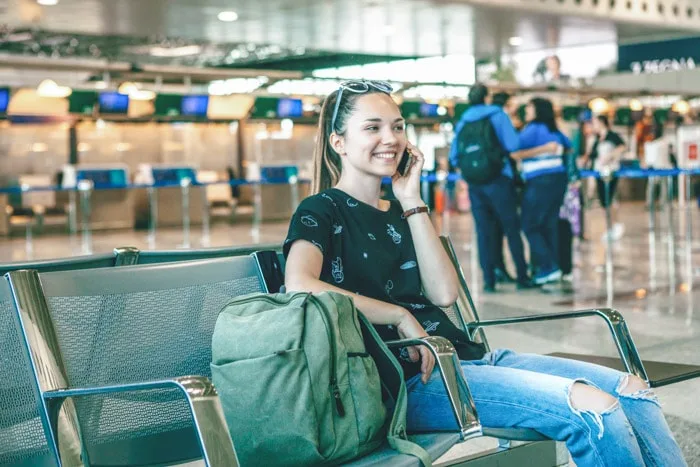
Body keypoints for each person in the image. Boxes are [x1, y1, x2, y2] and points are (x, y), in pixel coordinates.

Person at [283, 79, 686, 467]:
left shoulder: (402, 210)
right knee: (594, 410)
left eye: (398, 127)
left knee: (633, 392)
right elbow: (299, 284)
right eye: (372, 128)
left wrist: (411, 199)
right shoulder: (321, 210)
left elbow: (443, 294)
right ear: (339, 143)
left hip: (467, 358)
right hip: (408, 380)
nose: (390, 138)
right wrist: (399, 315)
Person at [449, 83, 552, 292]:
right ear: (486, 97)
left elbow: (454, 156)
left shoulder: (463, 120)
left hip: (475, 184)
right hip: (499, 180)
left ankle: (489, 279)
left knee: (483, 231)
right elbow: (513, 145)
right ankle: (522, 277)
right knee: (511, 228)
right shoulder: (497, 115)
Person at [514, 98, 570, 284]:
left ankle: (548, 266)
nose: (527, 111)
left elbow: (514, 151)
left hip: (539, 180)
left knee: (528, 224)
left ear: (538, 110)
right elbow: (567, 146)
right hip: (558, 179)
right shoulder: (554, 129)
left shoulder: (533, 129)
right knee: (548, 224)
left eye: (529, 107)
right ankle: (552, 268)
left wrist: (538, 150)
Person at [588, 115, 627, 241]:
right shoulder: (596, 139)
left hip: (610, 171)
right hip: (598, 172)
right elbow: (592, 156)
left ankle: (615, 224)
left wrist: (611, 155)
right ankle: (611, 226)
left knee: (608, 198)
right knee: (604, 200)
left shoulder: (612, 136)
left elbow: (623, 146)